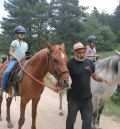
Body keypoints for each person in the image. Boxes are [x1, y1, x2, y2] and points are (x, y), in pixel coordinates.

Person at [66, 42, 109, 129]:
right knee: (71, 121)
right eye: (79, 52)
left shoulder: (89, 63)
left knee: (87, 122)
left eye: (83, 52)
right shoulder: (69, 64)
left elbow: (93, 75)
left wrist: (101, 79)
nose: (82, 54)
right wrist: (59, 84)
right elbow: (63, 77)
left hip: (87, 99)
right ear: (74, 52)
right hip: (73, 99)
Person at [0, 25, 28, 95]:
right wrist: (17, 57)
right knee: (7, 71)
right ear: (17, 34)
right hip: (15, 60)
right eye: (20, 33)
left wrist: (25, 57)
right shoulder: (14, 42)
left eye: (23, 33)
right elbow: (10, 52)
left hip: (23, 61)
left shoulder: (26, 44)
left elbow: (24, 53)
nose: (22, 34)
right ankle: (2, 88)